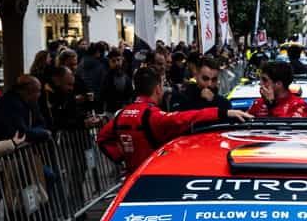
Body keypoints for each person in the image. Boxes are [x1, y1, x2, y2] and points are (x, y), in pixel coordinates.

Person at [98, 68, 252, 174]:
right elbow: (188, 117)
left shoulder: (121, 115)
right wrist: (224, 112)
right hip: (154, 175)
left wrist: (120, 158)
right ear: (158, 88)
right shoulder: (154, 116)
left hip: (132, 178)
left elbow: (102, 138)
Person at [0, 74, 52, 144]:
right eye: (37, 91)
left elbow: (42, 124)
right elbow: (21, 133)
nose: (39, 94)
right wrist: (44, 133)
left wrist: (38, 132)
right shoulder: (9, 103)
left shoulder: (31, 102)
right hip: (4, 146)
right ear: (27, 91)